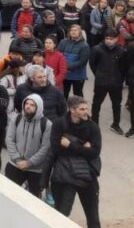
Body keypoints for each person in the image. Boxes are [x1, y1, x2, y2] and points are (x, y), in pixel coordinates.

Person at [50, 96, 102, 228]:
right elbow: (56, 149)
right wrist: (84, 148)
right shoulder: (59, 124)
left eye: (86, 109)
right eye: (82, 109)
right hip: (65, 174)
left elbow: (95, 152)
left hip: (88, 175)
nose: (86, 112)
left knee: (93, 217)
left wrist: (71, 145)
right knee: (61, 215)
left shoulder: (93, 127)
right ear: (72, 110)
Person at [5, 94, 53, 197]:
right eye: (26, 103)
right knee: (8, 195)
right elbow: (9, 139)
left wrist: (29, 162)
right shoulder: (16, 118)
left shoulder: (47, 124)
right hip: (15, 164)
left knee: (33, 198)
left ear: (39, 107)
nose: (28, 106)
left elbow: (45, 148)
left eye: (32, 105)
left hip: (36, 169)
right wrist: (17, 159)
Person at [58, 24, 91, 98]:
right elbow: (58, 55)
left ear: (80, 32)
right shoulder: (63, 42)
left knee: (77, 95)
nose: (73, 32)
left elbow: (82, 62)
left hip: (78, 76)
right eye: (71, 30)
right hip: (65, 75)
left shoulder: (84, 45)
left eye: (75, 30)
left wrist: (66, 67)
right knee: (63, 94)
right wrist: (62, 67)